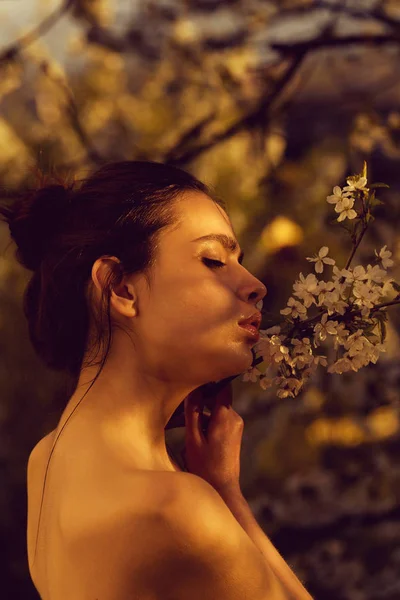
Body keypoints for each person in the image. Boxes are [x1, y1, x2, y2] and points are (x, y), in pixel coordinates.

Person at [1, 160, 305, 600]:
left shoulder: (47, 460)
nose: (255, 284)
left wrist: (219, 489)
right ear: (119, 288)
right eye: (214, 260)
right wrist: (226, 499)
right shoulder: (176, 512)